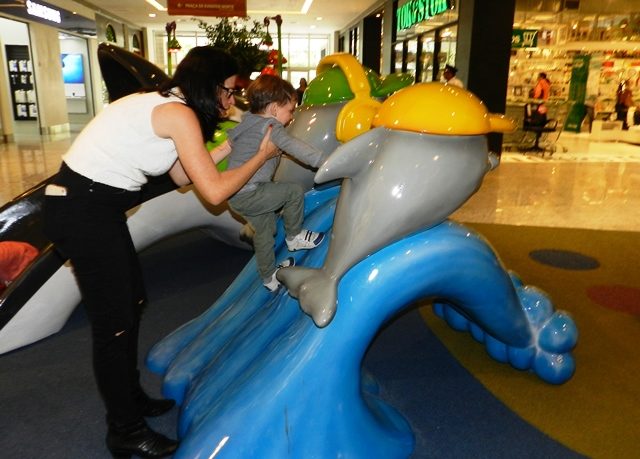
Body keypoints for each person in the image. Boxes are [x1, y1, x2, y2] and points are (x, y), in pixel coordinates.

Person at [43, 46, 278, 458]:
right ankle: (126, 430)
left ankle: (131, 400)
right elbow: (214, 192)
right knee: (114, 325)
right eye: (227, 90)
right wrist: (261, 155)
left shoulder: (168, 104)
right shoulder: (179, 114)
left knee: (131, 303)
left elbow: (183, 175)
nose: (230, 101)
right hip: (81, 211)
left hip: (92, 209)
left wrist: (231, 144)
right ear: (208, 85)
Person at [216, 74, 329, 292]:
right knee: (293, 191)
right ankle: (294, 237)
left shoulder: (247, 122)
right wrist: (326, 161)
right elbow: (295, 147)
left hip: (235, 194)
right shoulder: (271, 127)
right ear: (275, 109)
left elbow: (235, 144)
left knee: (265, 231)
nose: (292, 116)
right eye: (291, 110)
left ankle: (269, 278)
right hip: (250, 192)